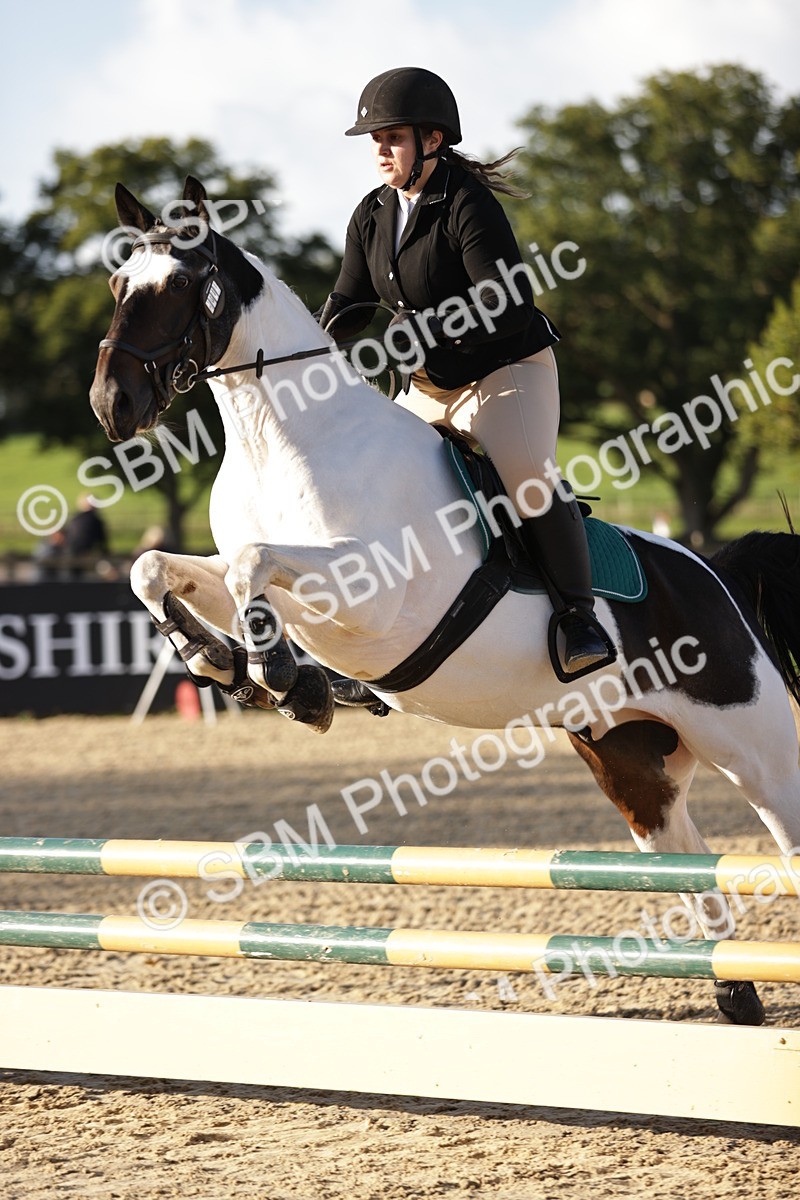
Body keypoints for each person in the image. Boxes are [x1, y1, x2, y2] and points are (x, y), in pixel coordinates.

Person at [317, 67, 613, 707]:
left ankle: (578, 618)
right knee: (375, 477)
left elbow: (506, 305)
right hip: (429, 383)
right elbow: (348, 302)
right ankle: (379, 645)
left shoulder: (467, 204)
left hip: (505, 370)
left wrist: (423, 332)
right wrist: (305, 349)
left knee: (524, 476)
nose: (380, 150)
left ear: (432, 139)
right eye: (375, 139)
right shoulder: (372, 214)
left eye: (392, 137)